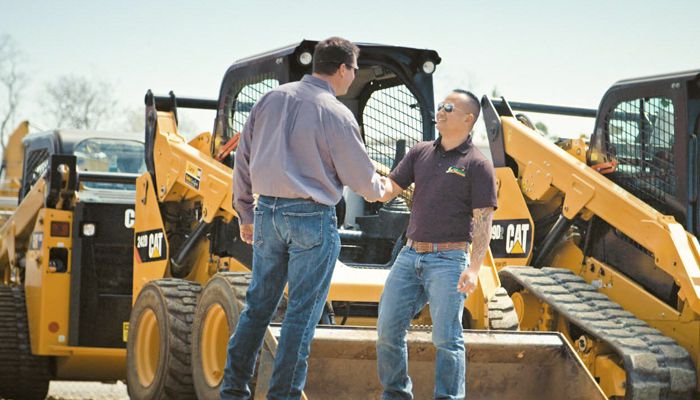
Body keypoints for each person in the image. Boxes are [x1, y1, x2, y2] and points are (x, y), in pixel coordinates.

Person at [223, 37, 387, 400]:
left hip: (267, 213)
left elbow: (243, 160)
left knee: (258, 307)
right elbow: (363, 181)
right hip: (311, 219)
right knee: (301, 315)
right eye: (354, 69)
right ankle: (282, 395)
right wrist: (384, 189)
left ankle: (233, 391)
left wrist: (245, 213)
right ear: (343, 68)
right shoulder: (336, 112)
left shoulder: (270, 99)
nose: (353, 75)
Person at [375, 90, 497, 399]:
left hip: (449, 260)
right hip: (409, 255)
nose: (440, 112)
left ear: (468, 119)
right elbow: (389, 188)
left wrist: (474, 268)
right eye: (440, 106)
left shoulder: (477, 164)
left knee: (446, 338)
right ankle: (396, 394)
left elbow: (483, 220)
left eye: (448, 108)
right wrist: (369, 184)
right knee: (388, 330)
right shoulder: (419, 152)